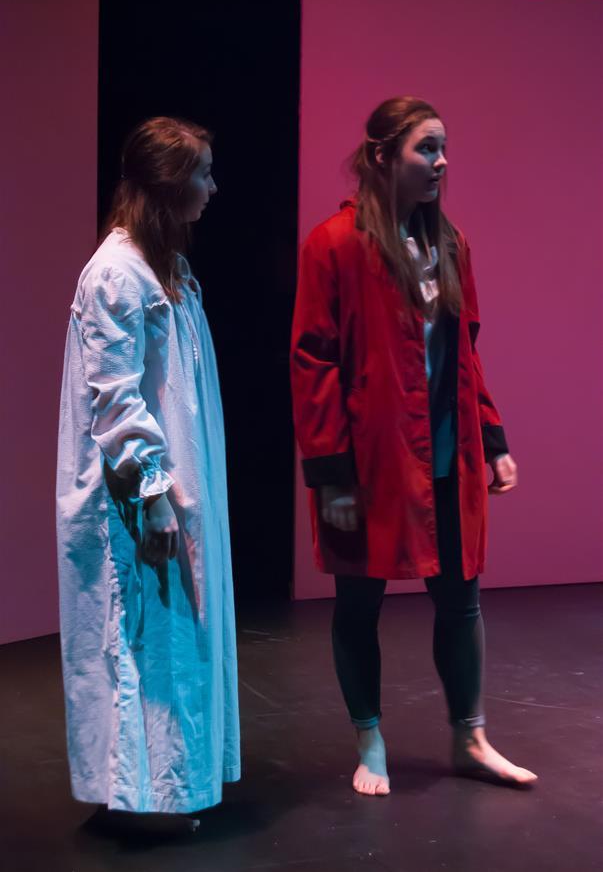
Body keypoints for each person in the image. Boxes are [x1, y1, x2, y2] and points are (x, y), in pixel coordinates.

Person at [290, 97, 537, 797]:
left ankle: (470, 737)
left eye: (443, 149)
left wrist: (491, 438)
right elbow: (312, 362)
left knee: (460, 601)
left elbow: (464, 351)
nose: (441, 163)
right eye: (425, 149)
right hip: (369, 465)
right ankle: (369, 740)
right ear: (380, 157)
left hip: (445, 454)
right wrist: (331, 475)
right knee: (358, 602)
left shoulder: (449, 244)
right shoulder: (333, 245)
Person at [56, 117, 240, 823]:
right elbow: (115, 394)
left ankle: (163, 788)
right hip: (135, 496)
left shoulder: (165, 268)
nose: (213, 187)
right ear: (167, 187)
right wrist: (153, 492)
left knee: (170, 639)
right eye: (202, 174)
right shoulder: (115, 273)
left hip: (174, 482)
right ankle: (139, 796)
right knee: (136, 639)